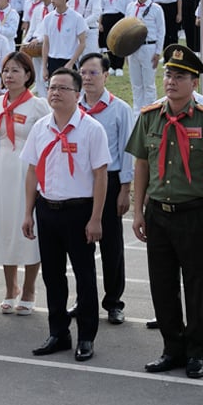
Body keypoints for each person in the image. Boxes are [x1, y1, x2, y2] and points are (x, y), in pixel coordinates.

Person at [126, 44, 203, 379]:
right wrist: (138, 212)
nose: (171, 81)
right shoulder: (148, 116)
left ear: (194, 83)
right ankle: (172, 347)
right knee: (162, 283)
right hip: (158, 212)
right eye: (169, 74)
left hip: (194, 213)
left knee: (197, 286)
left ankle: (197, 351)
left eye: (180, 76)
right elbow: (141, 164)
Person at [22, 68, 109, 362]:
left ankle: (86, 336)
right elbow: (32, 171)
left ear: (77, 94)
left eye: (63, 88)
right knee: (53, 275)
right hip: (48, 209)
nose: (55, 93)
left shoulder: (91, 129)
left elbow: (100, 176)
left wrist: (96, 218)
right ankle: (58, 332)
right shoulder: (41, 128)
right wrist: (27, 213)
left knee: (84, 276)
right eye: (52, 88)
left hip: (79, 211)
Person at [0, 51, 48, 315]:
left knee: (27, 231)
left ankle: (30, 288)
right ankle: (11, 288)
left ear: (28, 75)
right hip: (1, 171)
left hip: (26, 173)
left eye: (15, 71)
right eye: (6, 70)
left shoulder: (38, 106)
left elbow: (43, 145)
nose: (9, 76)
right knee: (4, 228)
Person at [76, 52, 135, 325]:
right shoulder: (73, 106)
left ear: (106, 76)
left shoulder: (119, 109)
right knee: (79, 247)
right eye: (83, 73)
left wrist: (125, 189)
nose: (87, 78)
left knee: (111, 245)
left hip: (110, 182)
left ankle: (113, 302)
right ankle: (84, 299)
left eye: (93, 73)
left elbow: (128, 151)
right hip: (79, 183)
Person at [124, 0, 164, 111]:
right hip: (133, 48)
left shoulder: (156, 8)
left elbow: (160, 31)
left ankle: (151, 110)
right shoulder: (130, 6)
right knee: (136, 83)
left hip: (149, 47)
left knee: (148, 83)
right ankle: (137, 112)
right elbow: (125, 28)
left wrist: (158, 52)